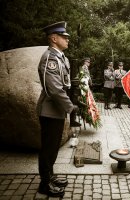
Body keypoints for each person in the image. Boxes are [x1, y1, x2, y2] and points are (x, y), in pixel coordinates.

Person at [36, 21, 78, 197]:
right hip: (50, 111)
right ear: (54, 38)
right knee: (48, 149)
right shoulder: (50, 58)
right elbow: (54, 89)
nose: (67, 39)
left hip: (57, 111)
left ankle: (50, 176)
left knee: (53, 148)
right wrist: (71, 108)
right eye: (64, 36)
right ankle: (44, 184)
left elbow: (64, 83)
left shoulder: (61, 57)